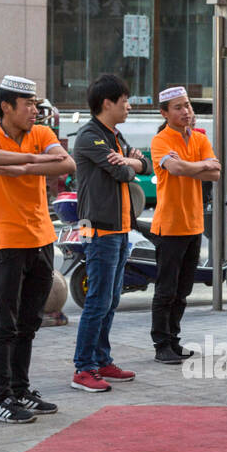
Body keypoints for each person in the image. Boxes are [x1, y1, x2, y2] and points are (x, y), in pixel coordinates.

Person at [0, 76, 74, 422]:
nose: (35, 110)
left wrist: (22, 166)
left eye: (36, 103)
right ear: (6, 106)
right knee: (5, 322)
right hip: (8, 242)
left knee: (31, 321)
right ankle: (0, 398)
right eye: (28, 103)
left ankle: (20, 390)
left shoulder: (42, 135)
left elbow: (67, 164)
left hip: (42, 239)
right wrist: (37, 165)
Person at [71, 73, 151, 391]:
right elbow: (121, 172)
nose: (128, 106)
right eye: (124, 101)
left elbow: (144, 164)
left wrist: (133, 162)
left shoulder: (114, 136)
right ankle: (84, 367)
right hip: (99, 229)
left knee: (111, 299)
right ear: (107, 103)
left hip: (120, 228)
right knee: (98, 301)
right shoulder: (91, 136)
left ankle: (102, 359)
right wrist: (129, 164)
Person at [149, 86, 220, 364]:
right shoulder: (161, 140)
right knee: (166, 289)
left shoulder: (199, 138)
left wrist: (193, 166)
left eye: (187, 106)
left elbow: (215, 173)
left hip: (193, 225)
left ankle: (174, 340)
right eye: (178, 107)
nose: (186, 112)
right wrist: (199, 165)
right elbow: (176, 169)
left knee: (183, 290)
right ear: (164, 113)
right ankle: (161, 344)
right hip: (169, 227)